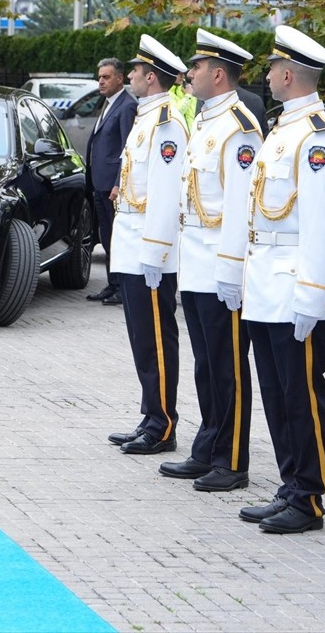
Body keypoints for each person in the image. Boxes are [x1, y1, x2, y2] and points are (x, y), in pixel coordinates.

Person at [236, 25, 325, 534]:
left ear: (287, 74)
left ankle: (309, 495)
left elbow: (324, 226)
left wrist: (312, 296)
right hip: (266, 282)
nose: (265, 75)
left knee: (301, 394)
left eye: (271, 68)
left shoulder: (318, 138)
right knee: (278, 394)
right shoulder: (283, 130)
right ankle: (290, 484)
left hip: (295, 288)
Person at [159, 29, 261, 491]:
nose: (188, 73)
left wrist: (232, 270)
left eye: (196, 67)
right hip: (196, 260)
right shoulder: (205, 120)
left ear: (218, 74)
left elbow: (240, 206)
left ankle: (232, 457)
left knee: (227, 365)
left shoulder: (240, 128)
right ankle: (208, 446)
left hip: (221, 262)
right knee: (205, 363)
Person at [105, 35, 190, 456]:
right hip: (133, 245)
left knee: (156, 337)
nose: (131, 76)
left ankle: (163, 424)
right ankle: (150, 414)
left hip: (149, 251)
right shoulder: (146, 117)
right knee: (142, 336)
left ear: (150, 77)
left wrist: (156, 253)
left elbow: (167, 189)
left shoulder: (166, 122)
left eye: (136, 71)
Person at [84, 57, 137, 306]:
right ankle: (112, 283)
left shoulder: (127, 106)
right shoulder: (108, 103)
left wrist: (119, 182)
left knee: (116, 237)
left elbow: (128, 148)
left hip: (112, 186)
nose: (101, 81)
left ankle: (120, 287)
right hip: (99, 182)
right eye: (99, 77)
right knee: (106, 236)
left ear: (120, 78)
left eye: (106, 77)